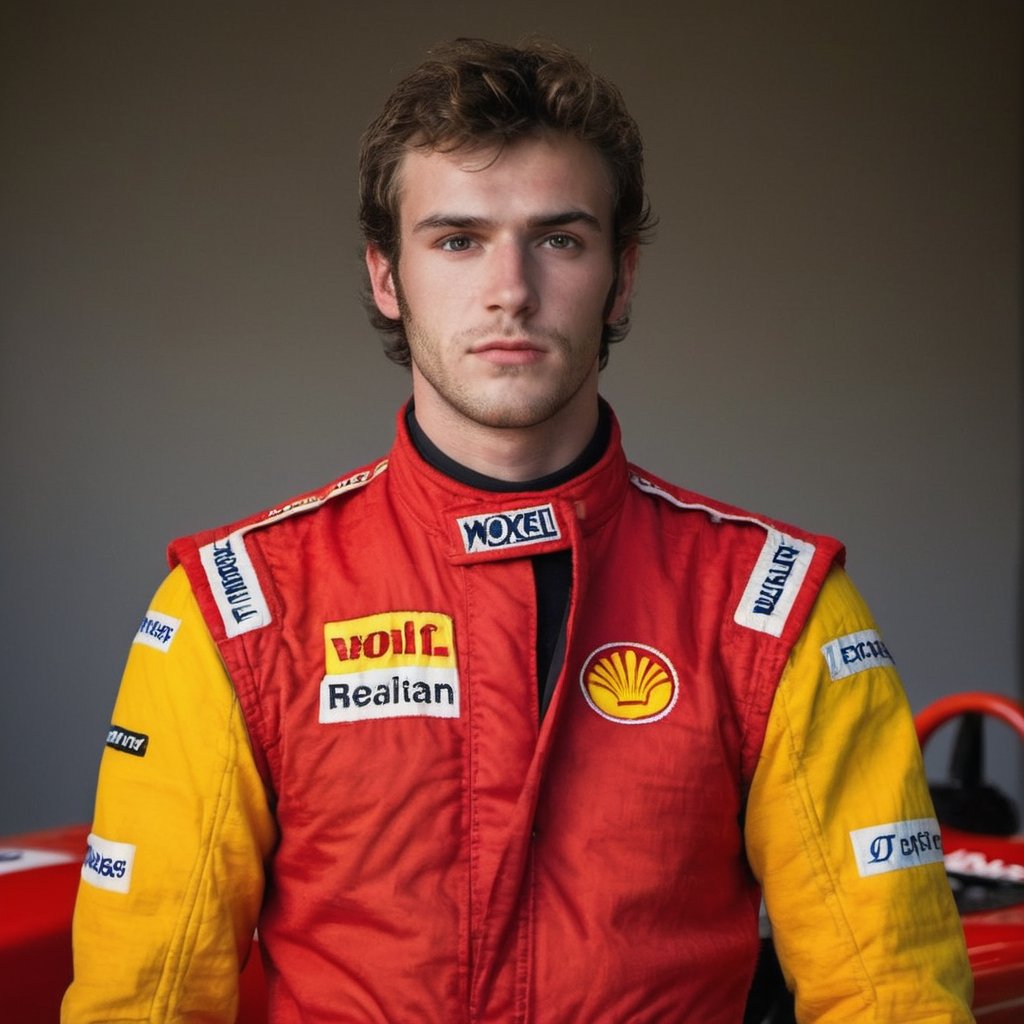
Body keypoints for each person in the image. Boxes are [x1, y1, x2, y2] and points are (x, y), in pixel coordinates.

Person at [63, 37, 974, 1024]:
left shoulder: (777, 609)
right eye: (456, 239)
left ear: (620, 278)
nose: (510, 289)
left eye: (559, 239)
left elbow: (891, 997)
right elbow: (141, 1004)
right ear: (385, 276)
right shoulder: (233, 609)